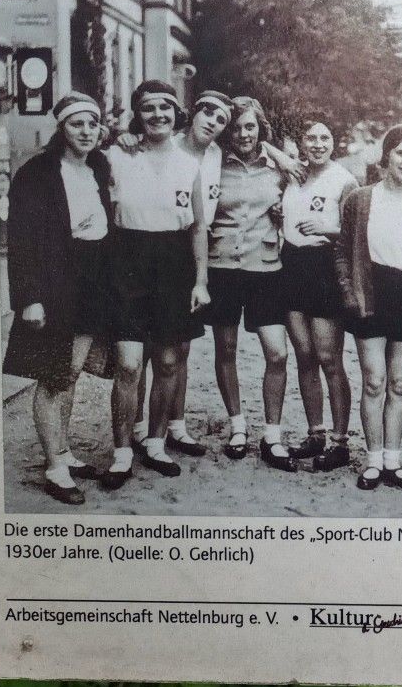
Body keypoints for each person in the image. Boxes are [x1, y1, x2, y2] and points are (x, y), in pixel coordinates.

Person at [3, 93, 117, 505]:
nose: (86, 131)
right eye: (76, 124)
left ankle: (64, 452)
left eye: (92, 124)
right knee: (54, 374)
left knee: (70, 373)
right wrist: (30, 298)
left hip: (93, 280)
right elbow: (22, 241)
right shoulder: (37, 174)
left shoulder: (99, 166)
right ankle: (54, 466)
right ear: (61, 128)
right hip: (54, 284)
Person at [104, 78, 207, 491]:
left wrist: (201, 280)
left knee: (167, 363)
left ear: (175, 113)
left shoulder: (189, 164)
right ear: (137, 114)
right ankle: (121, 451)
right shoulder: (117, 156)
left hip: (174, 263)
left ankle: (157, 441)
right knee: (129, 364)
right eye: (148, 108)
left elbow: (199, 227)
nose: (158, 116)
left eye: (165, 108)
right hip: (128, 261)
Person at [335, 124, 402, 492]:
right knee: (374, 381)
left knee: (399, 383)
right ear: (387, 155)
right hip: (373, 294)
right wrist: (350, 293)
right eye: (401, 153)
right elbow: (343, 253)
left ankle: (394, 461)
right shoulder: (361, 199)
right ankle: (374, 459)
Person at [197, 96, 293, 468]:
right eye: (235, 127)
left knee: (277, 353)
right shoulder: (213, 162)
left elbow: (303, 191)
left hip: (265, 267)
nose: (242, 134)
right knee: (226, 349)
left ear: (261, 128)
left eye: (250, 126)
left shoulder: (278, 168)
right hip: (221, 267)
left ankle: (273, 436)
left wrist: (286, 210)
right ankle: (238, 426)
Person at [138, 88, 233, 459]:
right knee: (148, 346)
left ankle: (175, 425)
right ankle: (139, 427)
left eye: (221, 120)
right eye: (208, 112)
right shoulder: (164, 145)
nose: (212, 122)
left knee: (181, 348)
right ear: (192, 113)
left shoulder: (216, 156)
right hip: (154, 246)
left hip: (192, 249)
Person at [281, 116, 356, 473]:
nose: (317, 144)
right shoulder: (292, 175)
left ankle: (340, 441)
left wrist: (328, 229)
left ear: (333, 142)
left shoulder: (344, 180)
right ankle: (316, 433)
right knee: (304, 355)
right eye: (310, 138)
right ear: (300, 143)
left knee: (329, 358)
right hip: (293, 266)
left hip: (326, 266)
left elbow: (357, 234)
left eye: (324, 137)